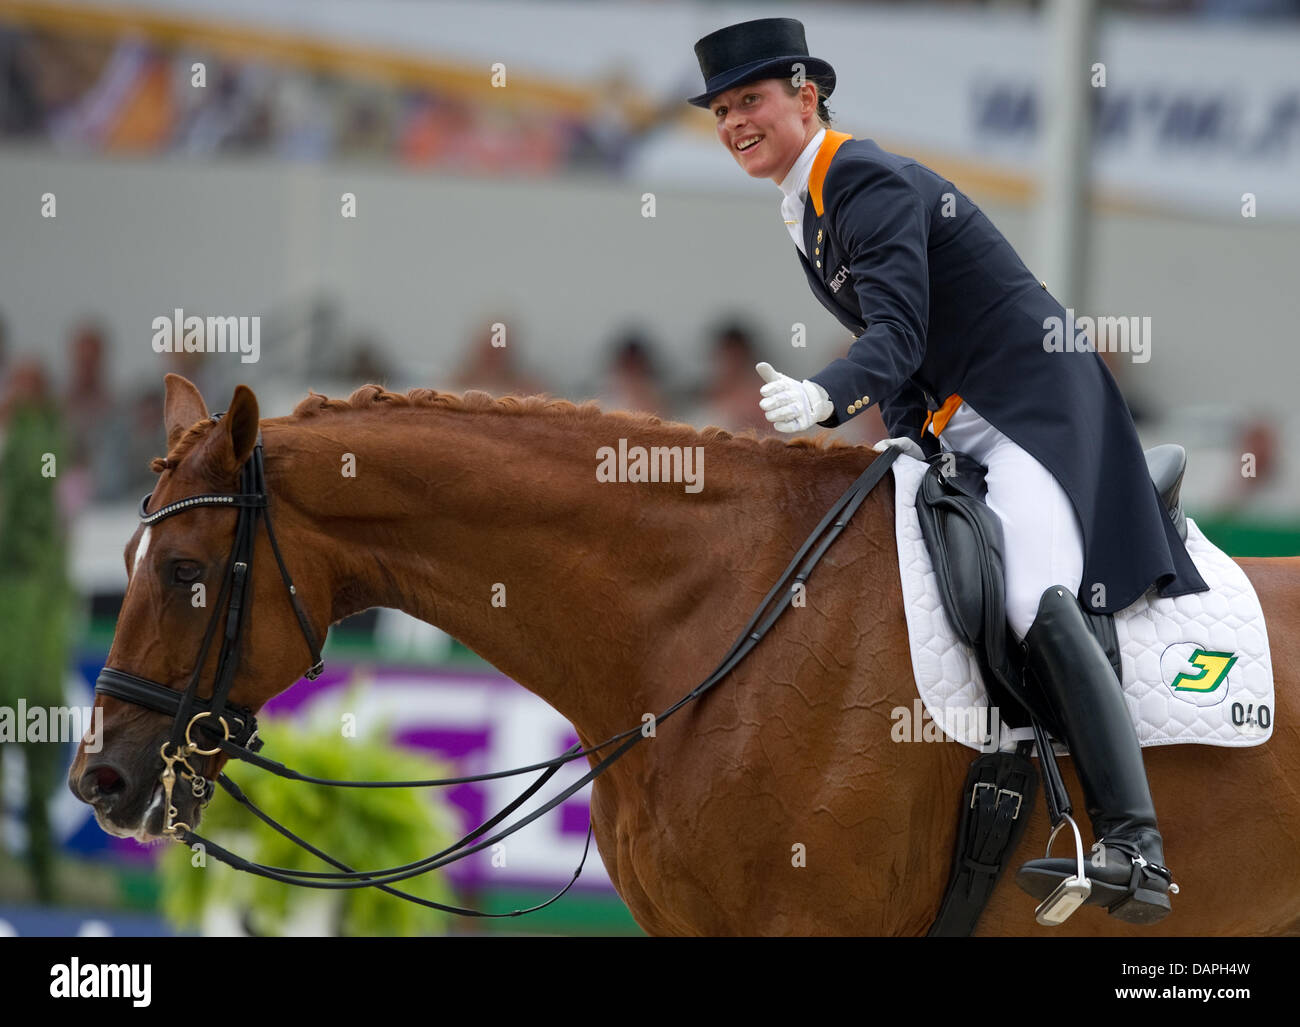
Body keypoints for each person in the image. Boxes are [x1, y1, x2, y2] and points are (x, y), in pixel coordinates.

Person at [687, 16, 1210, 923]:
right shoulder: (804, 203)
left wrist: (823, 399)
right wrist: (898, 435)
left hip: (1030, 416)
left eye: (752, 101)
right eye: (723, 109)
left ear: (806, 95)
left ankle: (1136, 843)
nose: (735, 121)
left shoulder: (861, 176)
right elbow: (905, 355)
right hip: (957, 425)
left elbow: (895, 335)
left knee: (1028, 597)